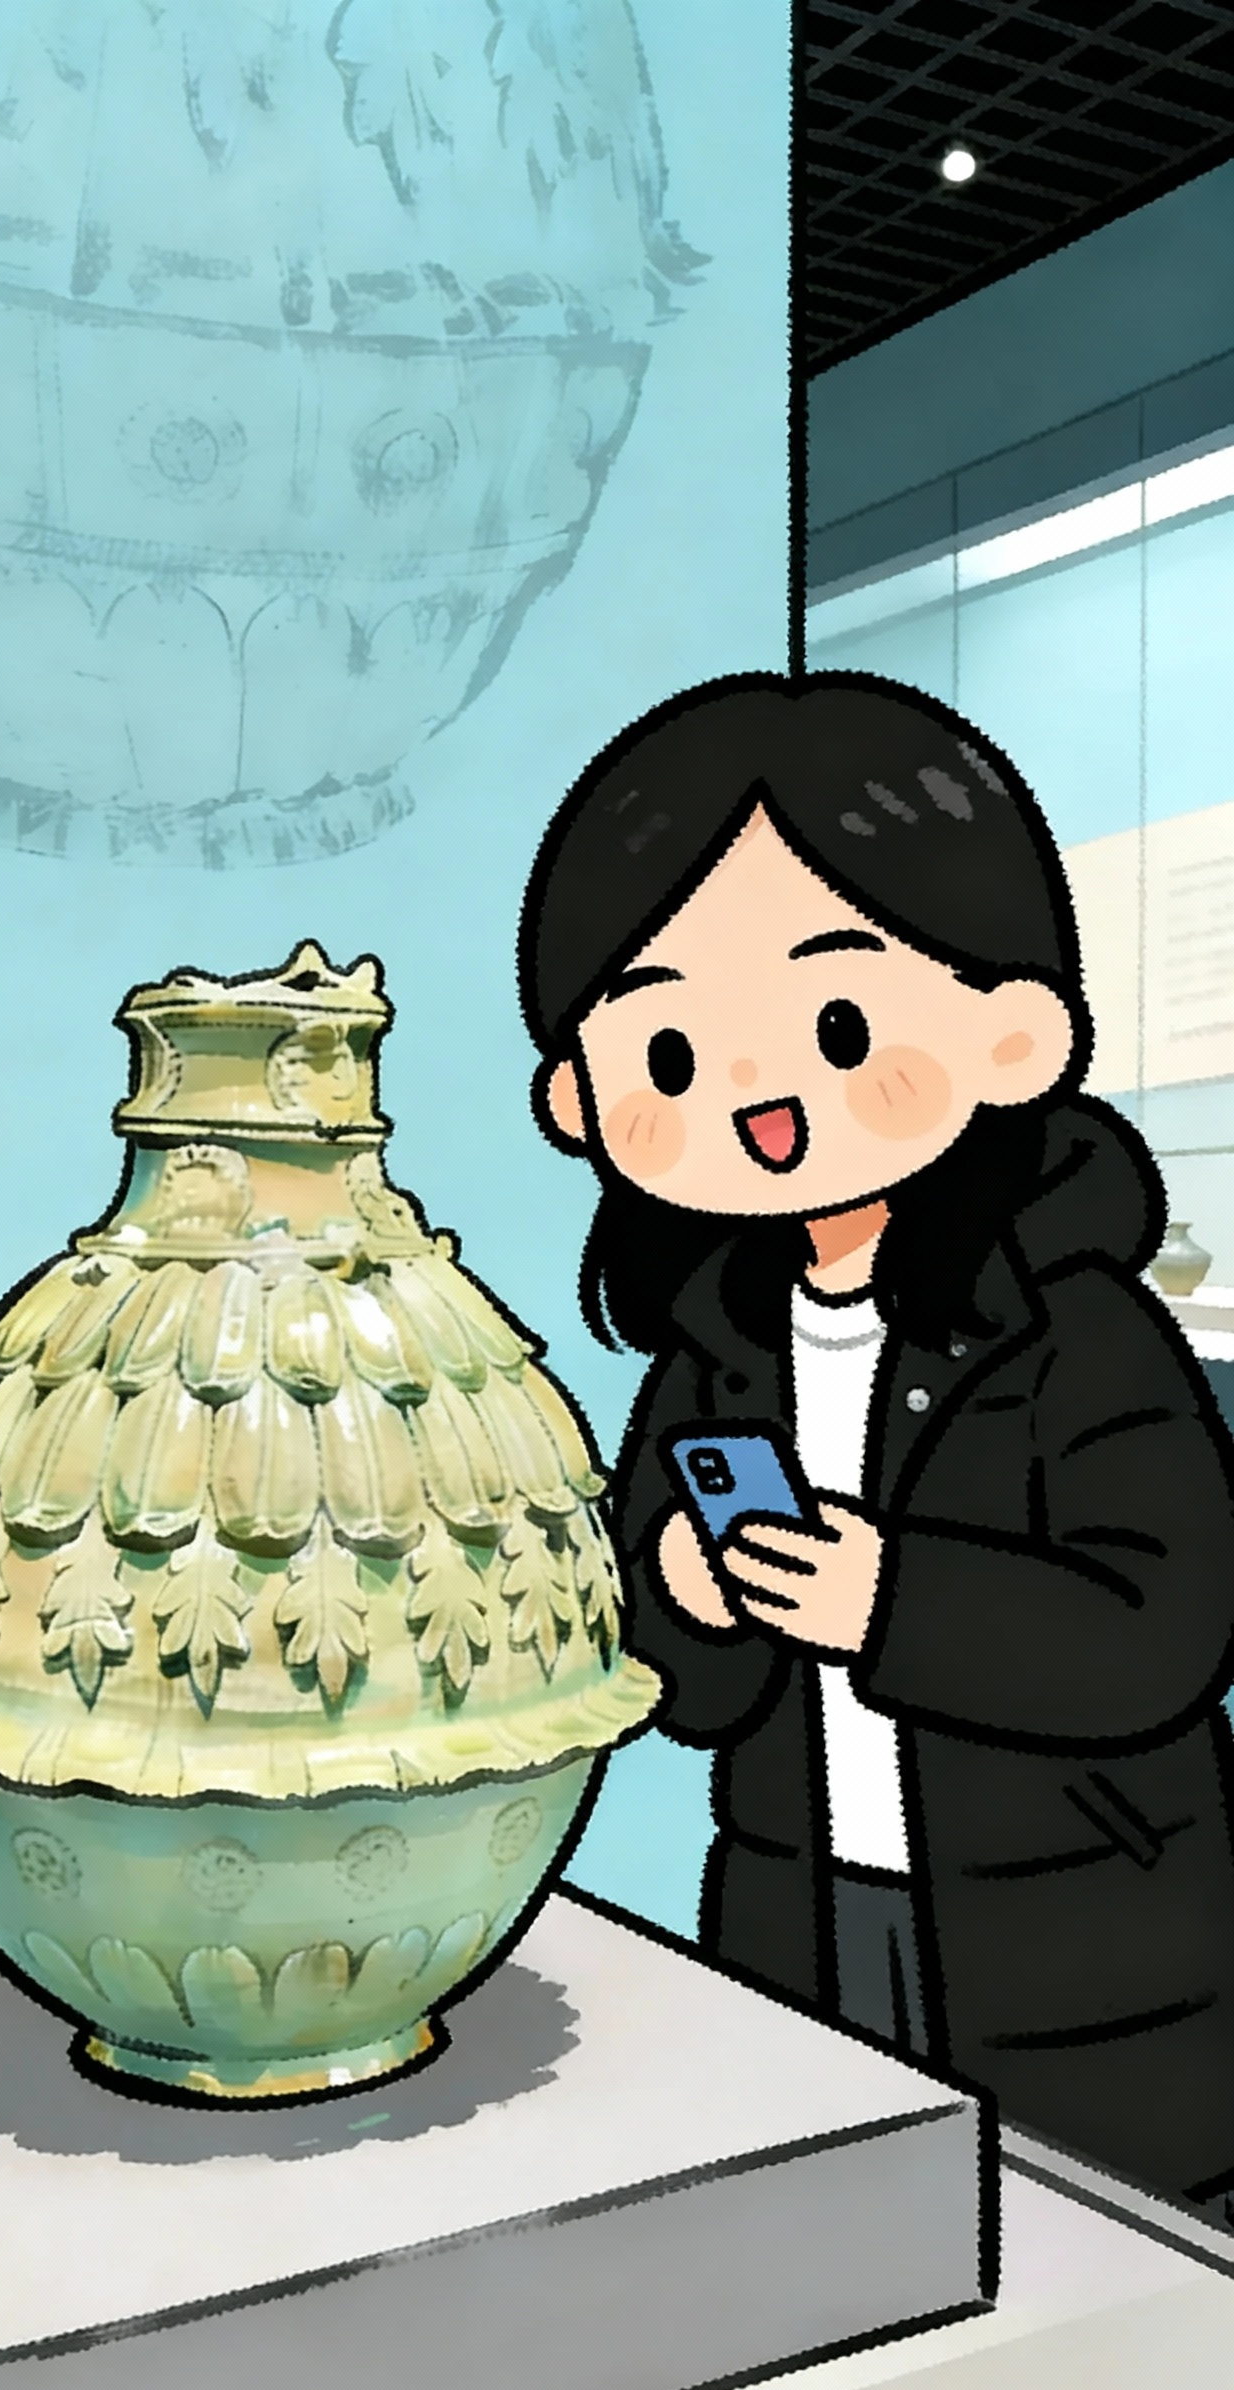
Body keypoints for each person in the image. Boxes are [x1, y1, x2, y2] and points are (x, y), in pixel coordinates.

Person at [517, 671, 1234, 2211]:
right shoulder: (716, 1350)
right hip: (802, 1908)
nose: (758, 1091)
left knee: (1104, 2264)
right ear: (581, 1096)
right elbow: (670, 1683)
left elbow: (1163, 1632)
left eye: (838, 1021)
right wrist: (687, 1593)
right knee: (843, 2233)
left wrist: (886, 1601)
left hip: (1076, 1942)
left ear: (1013, 1033)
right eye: (670, 1054)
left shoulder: (1076, 1327)